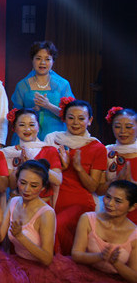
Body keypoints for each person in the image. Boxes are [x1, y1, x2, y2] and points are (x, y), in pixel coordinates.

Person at [33, 180, 137, 283]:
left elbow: (134, 276)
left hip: (115, 282)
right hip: (85, 272)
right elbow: (76, 254)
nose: (110, 203)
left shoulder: (134, 234)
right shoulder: (89, 218)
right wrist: (100, 256)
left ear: (132, 206)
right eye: (108, 197)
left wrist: (116, 264)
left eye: (118, 201)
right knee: (53, 269)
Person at [44, 98, 107, 254]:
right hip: (52, 198)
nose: (75, 122)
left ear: (90, 120)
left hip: (80, 203)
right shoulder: (53, 140)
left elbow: (93, 187)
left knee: (57, 228)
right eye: (71, 118)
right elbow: (44, 174)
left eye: (81, 118)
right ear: (64, 119)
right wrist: (62, 167)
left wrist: (78, 168)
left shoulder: (97, 147)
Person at [11, 41, 74, 142]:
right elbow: (15, 116)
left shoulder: (63, 85)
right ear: (32, 60)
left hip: (56, 138)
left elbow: (71, 114)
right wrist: (32, 110)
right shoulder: (22, 86)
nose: (42, 62)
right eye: (38, 58)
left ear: (53, 61)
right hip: (28, 138)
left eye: (47, 59)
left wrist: (48, 106)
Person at [2, 109, 63, 207]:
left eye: (31, 125)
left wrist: (34, 164)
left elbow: (57, 180)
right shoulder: (9, 152)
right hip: (16, 205)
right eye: (22, 125)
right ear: (14, 128)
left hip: (41, 206)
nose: (27, 129)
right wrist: (21, 166)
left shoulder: (49, 150)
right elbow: (12, 185)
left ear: (38, 127)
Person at [104, 107, 137, 223]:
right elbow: (98, 189)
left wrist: (133, 186)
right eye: (117, 126)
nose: (122, 131)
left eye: (128, 127)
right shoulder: (106, 152)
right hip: (112, 212)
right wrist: (114, 183)